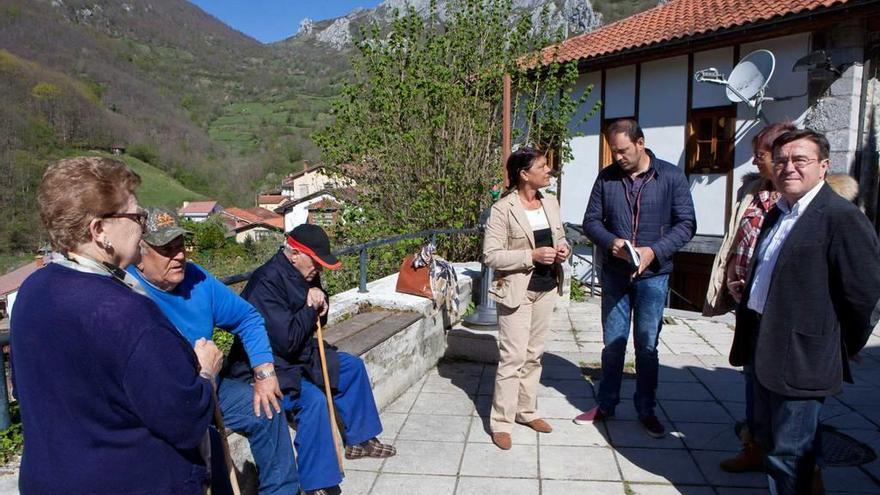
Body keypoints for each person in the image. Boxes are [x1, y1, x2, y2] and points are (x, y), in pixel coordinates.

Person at [11, 157, 222, 493]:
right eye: (136, 216)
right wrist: (206, 373)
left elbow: (31, 392)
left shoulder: (33, 291)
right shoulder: (127, 314)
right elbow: (185, 420)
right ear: (100, 231)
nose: (142, 227)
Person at [731, 129, 880, 494]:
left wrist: (841, 345)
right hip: (763, 346)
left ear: (824, 166)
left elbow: (864, 295)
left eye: (800, 160)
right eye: (781, 161)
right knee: (771, 444)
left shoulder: (839, 216)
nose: (788, 168)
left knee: (791, 455)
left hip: (803, 357)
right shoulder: (779, 211)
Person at [126, 208, 299, 495]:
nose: (179, 255)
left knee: (267, 408)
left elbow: (248, 318)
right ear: (139, 256)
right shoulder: (129, 293)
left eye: (180, 245)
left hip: (213, 391)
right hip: (166, 406)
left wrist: (264, 372)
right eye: (166, 249)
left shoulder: (196, 279)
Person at [226, 224, 395, 495]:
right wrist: (310, 306)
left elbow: (315, 313)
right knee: (312, 401)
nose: (318, 268)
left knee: (351, 367)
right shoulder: (265, 282)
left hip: (300, 355)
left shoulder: (305, 272)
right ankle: (317, 483)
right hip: (269, 365)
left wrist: (322, 302)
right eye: (315, 261)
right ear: (293, 253)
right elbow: (287, 340)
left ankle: (359, 440)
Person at [575, 119, 696, 438]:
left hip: (653, 276)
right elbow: (590, 221)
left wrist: (654, 251)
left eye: (623, 150)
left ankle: (646, 409)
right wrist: (611, 242)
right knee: (612, 345)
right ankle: (606, 403)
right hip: (615, 274)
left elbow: (686, 225)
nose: (617, 157)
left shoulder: (670, 176)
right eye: (614, 151)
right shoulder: (607, 178)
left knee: (646, 346)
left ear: (640, 143)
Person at [704, 122, 795, 472]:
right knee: (753, 379)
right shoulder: (752, 192)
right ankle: (754, 446)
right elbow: (736, 239)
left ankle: (791, 459)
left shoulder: (801, 201)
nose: (754, 162)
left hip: (784, 313)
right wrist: (729, 277)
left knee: (785, 388)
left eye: (758, 155)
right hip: (749, 306)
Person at [482, 147, 571, 450]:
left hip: (546, 287)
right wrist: (530, 255)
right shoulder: (503, 209)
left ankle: (526, 411)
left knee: (534, 355)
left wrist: (563, 249)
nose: (549, 170)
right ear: (524, 174)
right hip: (517, 291)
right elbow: (491, 255)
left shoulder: (551, 203)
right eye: (543, 166)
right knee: (513, 357)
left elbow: (560, 237)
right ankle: (501, 423)